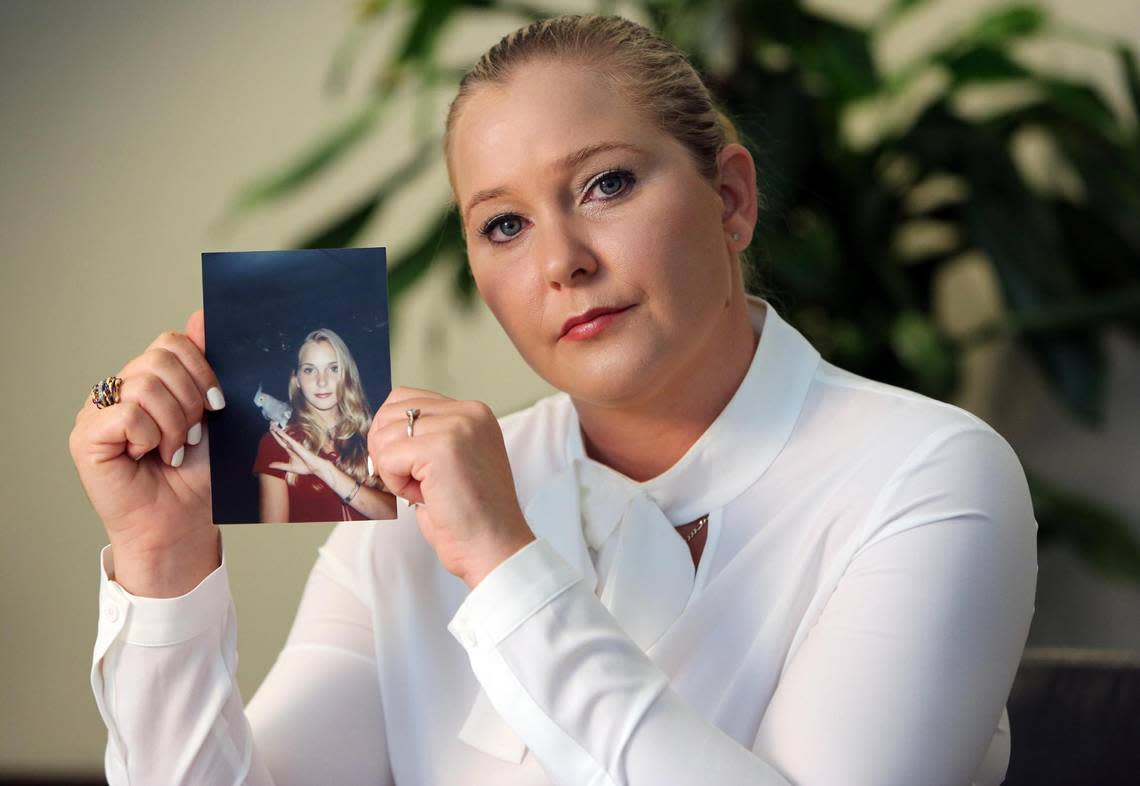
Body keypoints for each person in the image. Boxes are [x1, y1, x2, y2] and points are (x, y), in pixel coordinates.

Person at [69, 14, 1037, 786]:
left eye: (606, 184)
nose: (562, 262)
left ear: (732, 198)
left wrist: (505, 564)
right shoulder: (402, 515)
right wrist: (162, 562)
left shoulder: (926, 473)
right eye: (503, 225)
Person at [253, 327, 397, 523]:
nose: (322, 381)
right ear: (296, 380)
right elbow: (272, 538)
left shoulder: (374, 434)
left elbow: (399, 516)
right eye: (310, 370)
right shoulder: (278, 443)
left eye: (334, 368)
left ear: (347, 374)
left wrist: (325, 470)